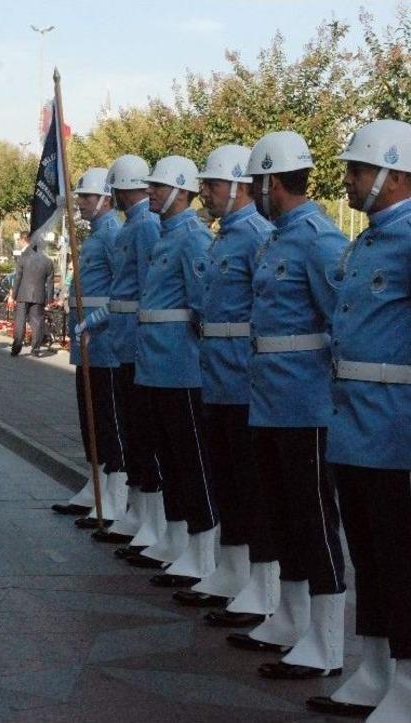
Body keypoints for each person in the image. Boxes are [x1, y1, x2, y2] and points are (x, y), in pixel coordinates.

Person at [224, 131, 348, 682]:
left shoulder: (319, 239)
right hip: (270, 397)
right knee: (282, 513)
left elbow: (338, 322)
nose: (252, 193)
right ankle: (292, 619)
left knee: (314, 520)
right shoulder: (277, 238)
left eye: (256, 183)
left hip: (305, 402)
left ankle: (327, 639)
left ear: (273, 182)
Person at [306, 120, 411, 719]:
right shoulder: (367, 241)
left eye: (358, 169)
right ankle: (374, 669)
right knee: (368, 555)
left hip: (396, 427)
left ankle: (407, 680)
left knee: (399, 557)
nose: (346, 179)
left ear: (395, 175)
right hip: (353, 421)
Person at [177, 146, 276, 619]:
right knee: (227, 481)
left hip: (243, 378)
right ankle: (233, 569)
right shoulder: (222, 238)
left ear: (239, 185)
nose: (206, 194)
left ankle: (263, 581)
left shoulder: (257, 235)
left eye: (213, 185)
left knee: (251, 484)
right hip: (216, 374)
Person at [116, 156, 219, 591]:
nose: (151, 192)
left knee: (189, 460)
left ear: (181, 190)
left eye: (158, 186)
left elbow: (201, 304)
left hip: (179, 365)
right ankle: (177, 539)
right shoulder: (166, 235)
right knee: (171, 458)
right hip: (156, 363)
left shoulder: (193, 236)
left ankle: (202, 548)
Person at [66, 168, 128, 535]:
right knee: (90, 419)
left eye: (87, 197)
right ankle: (96, 481)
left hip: (103, 338)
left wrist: (96, 321)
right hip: (86, 336)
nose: (82, 203)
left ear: (106, 197)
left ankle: (115, 491)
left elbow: (120, 287)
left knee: (107, 419)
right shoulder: (93, 236)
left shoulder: (112, 234)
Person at [8, 231, 54, 357]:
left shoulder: (23, 257)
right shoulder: (48, 261)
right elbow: (50, 282)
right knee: (37, 321)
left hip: (23, 294)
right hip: (39, 295)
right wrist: (49, 300)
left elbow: (18, 277)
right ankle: (36, 349)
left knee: (20, 320)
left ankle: (16, 347)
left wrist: (13, 295)